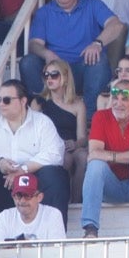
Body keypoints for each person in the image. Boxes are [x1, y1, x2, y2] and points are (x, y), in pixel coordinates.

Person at [20, 0, 123, 114]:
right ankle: (43, 112)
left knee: (98, 59)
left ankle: (89, 117)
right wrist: (47, 54)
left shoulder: (92, 4)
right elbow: (34, 44)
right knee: (28, 62)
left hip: (84, 70)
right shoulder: (44, 13)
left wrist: (97, 43)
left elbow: (116, 25)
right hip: (56, 72)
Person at [0, 80, 69, 225]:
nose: (1, 104)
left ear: (23, 101)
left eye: (7, 100)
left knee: (55, 175)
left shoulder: (42, 122)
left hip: (33, 187)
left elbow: (55, 153)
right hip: (4, 185)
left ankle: (55, 237)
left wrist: (24, 169)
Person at [80, 78, 129, 238]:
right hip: (112, 186)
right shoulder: (100, 117)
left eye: (125, 99)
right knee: (96, 165)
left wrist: (110, 156)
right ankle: (90, 228)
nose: (118, 103)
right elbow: (94, 154)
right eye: (115, 98)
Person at [31, 59, 87, 196]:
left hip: (70, 145)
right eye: (46, 75)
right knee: (65, 158)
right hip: (49, 146)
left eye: (54, 75)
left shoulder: (78, 104)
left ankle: (76, 200)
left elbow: (82, 138)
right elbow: (32, 133)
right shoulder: (39, 102)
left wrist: (75, 143)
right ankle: (63, 197)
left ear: (65, 77)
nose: (49, 78)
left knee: (83, 156)